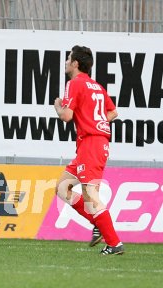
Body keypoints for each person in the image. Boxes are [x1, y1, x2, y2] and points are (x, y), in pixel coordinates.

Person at [54, 45, 124, 255]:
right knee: (62, 187)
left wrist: (57, 105)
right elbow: (113, 112)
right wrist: (96, 121)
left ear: (75, 63)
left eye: (68, 59)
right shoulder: (96, 86)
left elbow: (66, 116)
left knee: (89, 194)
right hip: (90, 144)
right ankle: (98, 224)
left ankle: (114, 244)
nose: (66, 62)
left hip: (92, 144)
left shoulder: (74, 83)